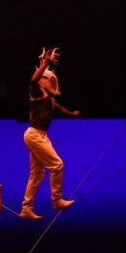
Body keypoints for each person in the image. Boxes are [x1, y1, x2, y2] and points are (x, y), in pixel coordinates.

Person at [20, 46, 80, 221]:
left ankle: (26, 208)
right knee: (57, 165)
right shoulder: (36, 92)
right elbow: (33, 80)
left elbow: (60, 109)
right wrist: (45, 62)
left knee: (37, 174)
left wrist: (73, 115)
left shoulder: (49, 98)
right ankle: (57, 201)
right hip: (34, 134)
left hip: (39, 136)